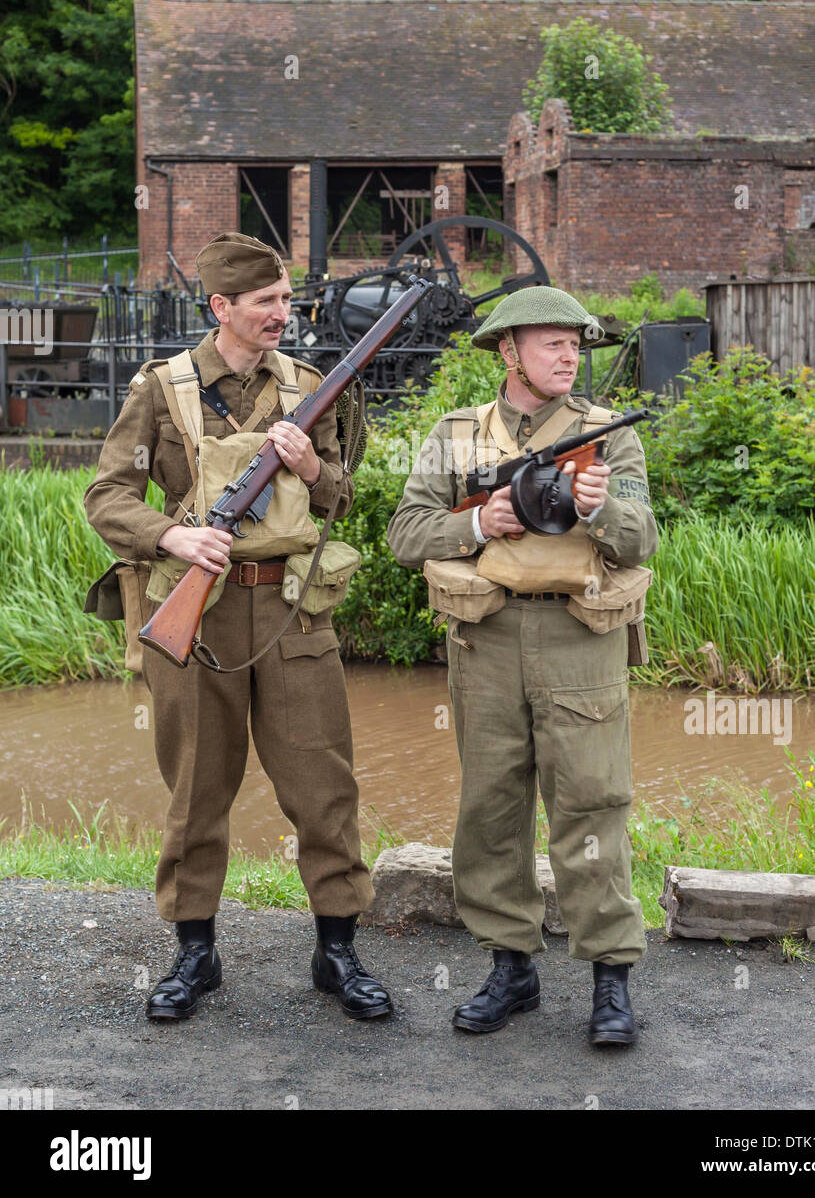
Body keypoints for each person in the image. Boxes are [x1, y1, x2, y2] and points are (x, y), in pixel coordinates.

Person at [83, 232, 392, 1024]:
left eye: (287, 300)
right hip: (196, 609)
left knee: (323, 783)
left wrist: (315, 469)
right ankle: (195, 952)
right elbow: (107, 497)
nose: (284, 314)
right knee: (195, 786)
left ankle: (337, 949)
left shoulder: (310, 386)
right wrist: (172, 537)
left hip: (292, 608)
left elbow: (343, 498)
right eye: (267, 303)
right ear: (221, 308)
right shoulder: (162, 389)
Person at [387, 286, 658, 1045]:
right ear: (508, 353)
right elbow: (405, 534)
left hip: (581, 639)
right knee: (492, 807)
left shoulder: (611, 438)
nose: (571, 355)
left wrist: (603, 506)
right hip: (487, 639)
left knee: (593, 806)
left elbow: (642, 542)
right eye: (552, 343)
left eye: (577, 345)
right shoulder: (453, 435)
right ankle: (512, 966)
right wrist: (479, 520)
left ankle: (610, 980)